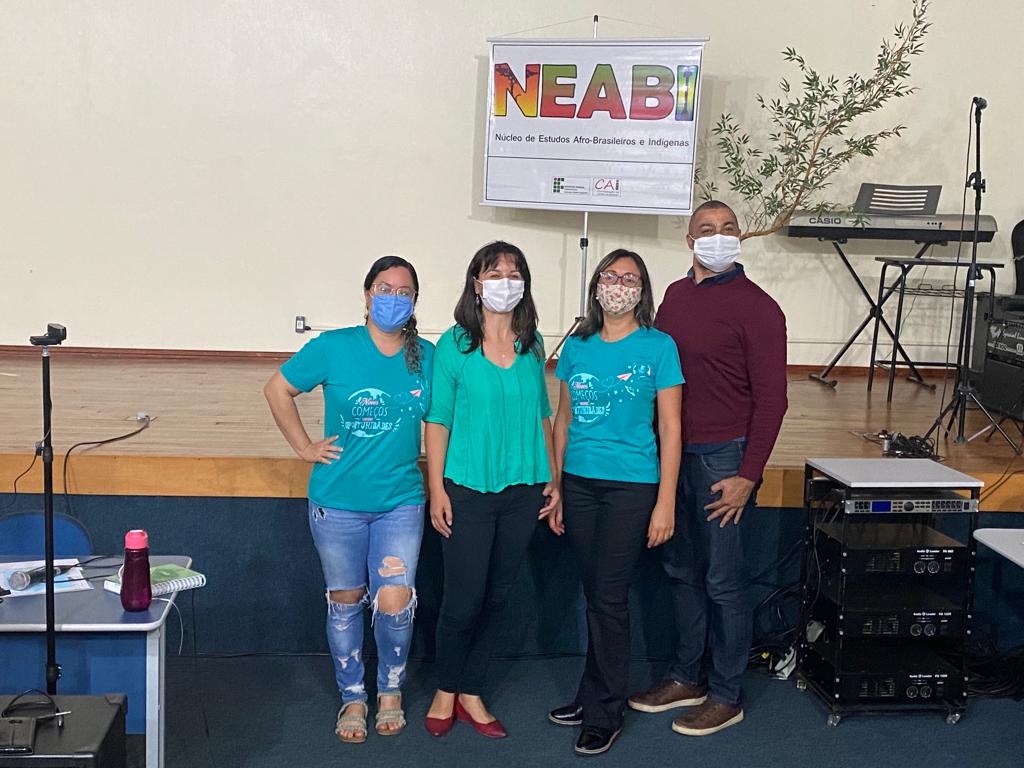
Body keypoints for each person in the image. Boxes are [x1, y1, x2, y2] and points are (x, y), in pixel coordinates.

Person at [628, 200, 788, 736]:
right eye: (706, 229)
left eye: (727, 229)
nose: (718, 236)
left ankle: (726, 693)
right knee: (682, 572)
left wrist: (749, 474)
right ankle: (686, 676)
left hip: (725, 459)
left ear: (739, 237)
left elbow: (773, 400)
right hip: (674, 455)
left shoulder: (760, 308)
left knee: (723, 581)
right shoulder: (674, 296)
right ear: (689, 240)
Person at [263, 256, 434, 744]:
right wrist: (304, 447)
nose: (393, 298)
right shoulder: (333, 347)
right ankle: (353, 695)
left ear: (414, 301)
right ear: (366, 294)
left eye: (403, 292)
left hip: (400, 500)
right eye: (384, 288)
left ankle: (391, 690)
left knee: (395, 601)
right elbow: (277, 389)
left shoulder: (427, 355)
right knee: (345, 600)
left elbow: (443, 418)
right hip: (337, 502)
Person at [545, 249, 683, 756]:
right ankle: (591, 694)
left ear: (642, 291)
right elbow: (563, 421)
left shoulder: (658, 346)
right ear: (597, 285)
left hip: (632, 485)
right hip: (580, 483)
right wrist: (557, 487)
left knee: (608, 597)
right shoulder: (578, 345)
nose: (619, 285)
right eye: (611, 276)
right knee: (595, 593)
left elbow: (671, 429)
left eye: (630, 278)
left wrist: (665, 502)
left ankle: (606, 711)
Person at [423, 241, 559, 739]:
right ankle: (446, 688)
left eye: (514, 272)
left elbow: (543, 414)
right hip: (467, 488)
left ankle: (472, 691)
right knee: (463, 600)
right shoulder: (455, 345)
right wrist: (437, 488)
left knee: (497, 597)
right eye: (495, 273)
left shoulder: (533, 344)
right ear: (476, 284)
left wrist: (554, 478)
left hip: (524, 488)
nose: (506, 281)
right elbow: (438, 419)